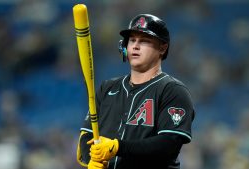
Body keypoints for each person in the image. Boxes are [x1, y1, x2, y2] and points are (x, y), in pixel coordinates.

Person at [77, 14, 195, 169]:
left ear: (163, 47)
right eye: (132, 40)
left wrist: (118, 147)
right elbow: (86, 136)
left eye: (144, 41)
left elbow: (169, 144)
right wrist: (92, 159)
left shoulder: (173, 91)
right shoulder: (107, 88)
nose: (135, 46)